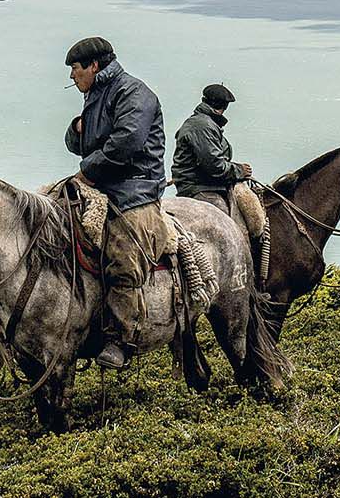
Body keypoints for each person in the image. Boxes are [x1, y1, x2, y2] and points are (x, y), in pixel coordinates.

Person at [62, 35, 166, 368]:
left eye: (75, 69)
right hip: (103, 183)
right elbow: (81, 144)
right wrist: (77, 130)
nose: (72, 76)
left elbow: (127, 143)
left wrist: (88, 172)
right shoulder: (96, 93)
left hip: (134, 188)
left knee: (122, 256)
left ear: (94, 66)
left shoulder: (133, 92)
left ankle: (122, 338)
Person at [170, 82, 251, 212]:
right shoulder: (203, 126)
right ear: (225, 106)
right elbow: (214, 165)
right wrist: (239, 170)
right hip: (200, 188)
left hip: (203, 186)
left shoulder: (205, 123)